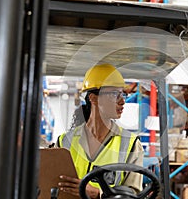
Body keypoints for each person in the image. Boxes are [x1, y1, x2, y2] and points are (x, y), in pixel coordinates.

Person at [56, 64, 144, 199]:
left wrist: (98, 194)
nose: (122, 101)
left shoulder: (131, 144)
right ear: (93, 98)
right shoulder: (64, 141)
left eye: (123, 94)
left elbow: (134, 195)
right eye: (115, 94)